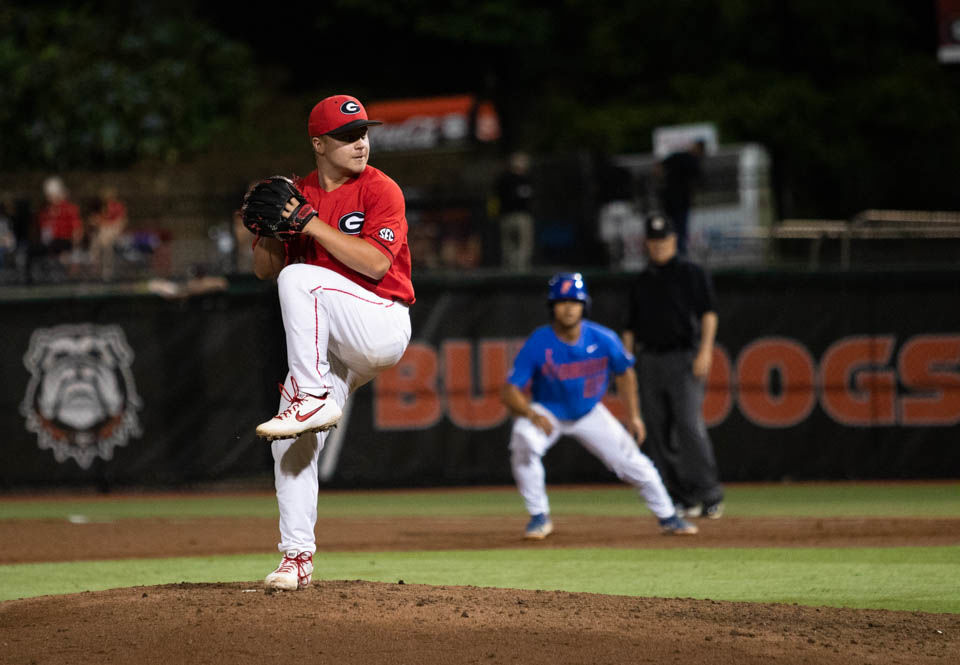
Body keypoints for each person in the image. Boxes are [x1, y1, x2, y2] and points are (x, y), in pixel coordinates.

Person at [250, 94, 414, 591]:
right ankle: (296, 559)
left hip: (381, 321)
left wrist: (311, 225)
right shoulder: (294, 193)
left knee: (302, 279)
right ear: (319, 143)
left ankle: (312, 396)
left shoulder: (381, 189)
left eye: (363, 132)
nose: (360, 142)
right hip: (332, 348)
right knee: (291, 445)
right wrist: (266, 233)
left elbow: (377, 265)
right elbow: (265, 272)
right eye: (346, 135)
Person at [501, 272, 698, 540]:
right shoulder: (539, 342)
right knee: (523, 438)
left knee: (633, 462)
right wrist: (530, 413)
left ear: (585, 305)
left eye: (575, 301)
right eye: (562, 301)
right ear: (552, 307)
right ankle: (539, 517)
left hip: (588, 412)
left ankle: (668, 516)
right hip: (548, 411)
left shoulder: (602, 338)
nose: (569, 307)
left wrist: (634, 417)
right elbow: (510, 390)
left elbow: (626, 373)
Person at [622, 214, 724, 519]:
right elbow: (629, 328)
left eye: (664, 240)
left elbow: (709, 313)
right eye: (653, 241)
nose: (659, 246)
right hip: (650, 359)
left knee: (689, 426)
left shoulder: (690, 272)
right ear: (647, 244)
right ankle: (681, 497)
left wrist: (705, 351)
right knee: (658, 431)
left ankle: (709, 495)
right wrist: (627, 364)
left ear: (674, 240)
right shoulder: (641, 280)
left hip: (684, 358)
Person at [655, 139, 705, 256]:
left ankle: (671, 254)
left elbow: (658, 167)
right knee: (680, 230)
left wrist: (662, 182)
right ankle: (679, 255)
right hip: (681, 201)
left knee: (670, 230)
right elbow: (699, 182)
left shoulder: (679, 156)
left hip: (669, 199)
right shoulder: (693, 161)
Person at [494, 151, 535, 270]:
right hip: (518, 216)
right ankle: (518, 274)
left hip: (508, 216)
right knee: (520, 246)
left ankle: (512, 272)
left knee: (511, 247)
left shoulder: (503, 179)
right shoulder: (520, 179)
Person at [35, 176, 83, 260]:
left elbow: (77, 231)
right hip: (48, 244)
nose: (50, 198)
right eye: (48, 196)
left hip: (64, 243)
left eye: (52, 195)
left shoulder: (70, 209)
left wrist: (74, 250)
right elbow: (41, 230)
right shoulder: (45, 211)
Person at [89, 186, 128, 280]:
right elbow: (96, 220)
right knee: (95, 242)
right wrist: (95, 221)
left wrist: (108, 226)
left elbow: (121, 221)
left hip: (113, 231)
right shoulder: (102, 207)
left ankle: (107, 271)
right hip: (103, 230)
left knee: (107, 242)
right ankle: (95, 268)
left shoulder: (118, 206)